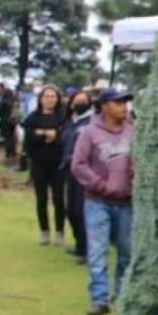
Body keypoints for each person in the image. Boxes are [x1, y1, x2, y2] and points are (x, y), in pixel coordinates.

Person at [71, 87, 134, 315]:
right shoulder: (89, 132)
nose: (123, 107)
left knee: (126, 251)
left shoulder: (133, 130)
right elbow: (78, 165)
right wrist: (100, 184)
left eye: (125, 103)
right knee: (97, 252)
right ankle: (99, 299)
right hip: (98, 202)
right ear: (105, 106)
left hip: (127, 203)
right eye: (118, 103)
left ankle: (122, 294)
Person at [24, 85, 66, 246]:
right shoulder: (33, 118)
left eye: (53, 96)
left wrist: (48, 134)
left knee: (58, 198)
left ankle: (60, 232)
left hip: (57, 163)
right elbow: (29, 139)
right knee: (41, 198)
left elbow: (63, 137)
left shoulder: (63, 117)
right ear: (41, 99)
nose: (50, 99)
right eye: (47, 96)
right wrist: (47, 135)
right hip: (38, 163)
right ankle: (44, 231)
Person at [61, 90, 93, 263]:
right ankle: (80, 245)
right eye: (76, 100)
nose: (79, 103)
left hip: (85, 172)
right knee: (72, 211)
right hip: (69, 171)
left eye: (83, 100)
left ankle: (88, 251)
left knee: (82, 211)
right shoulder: (71, 122)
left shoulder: (92, 122)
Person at [0, 85, 18, 163]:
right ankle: (13, 153)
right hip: (13, 122)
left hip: (5, 122)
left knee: (7, 138)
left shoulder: (3, 102)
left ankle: (8, 154)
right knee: (12, 138)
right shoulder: (14, 102)